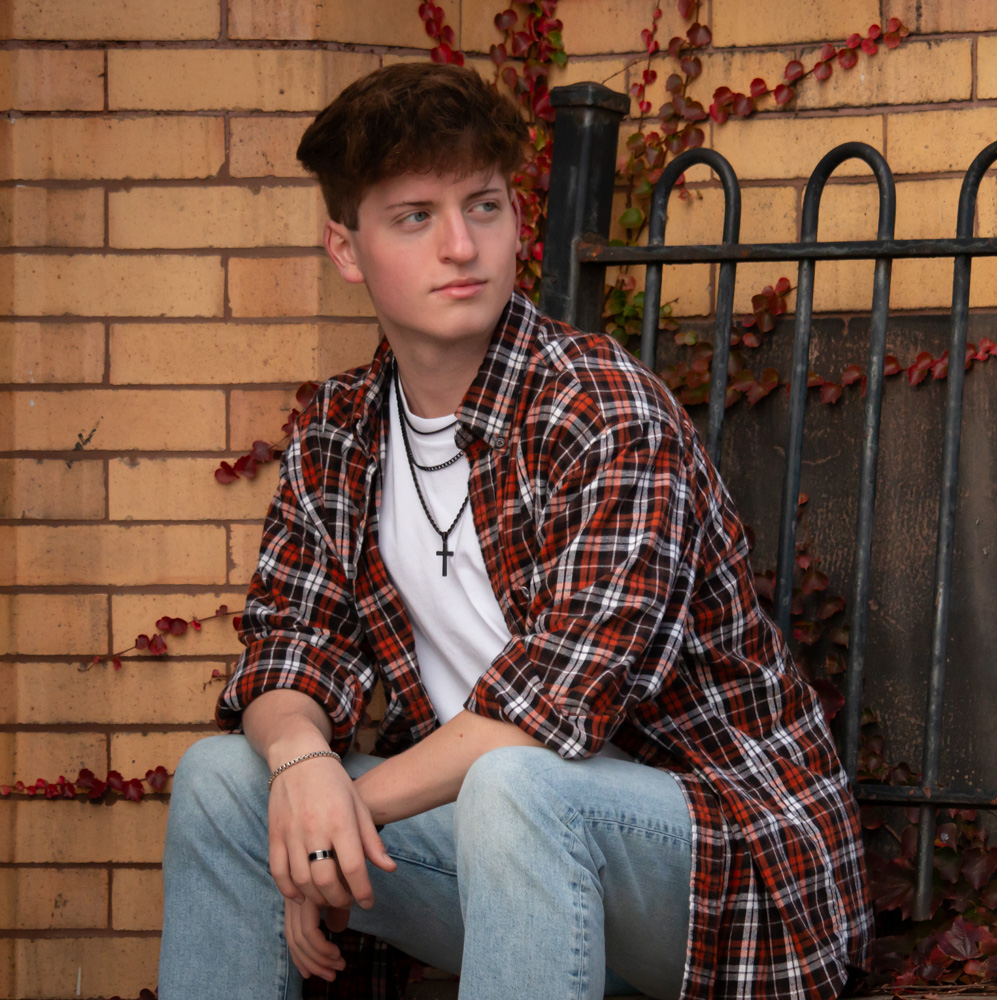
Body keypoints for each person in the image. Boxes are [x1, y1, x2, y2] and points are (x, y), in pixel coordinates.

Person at [156, 61, 870, 1000]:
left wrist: (330, 819)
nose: (461, 246)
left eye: (483, 207)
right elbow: (289, 647)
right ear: (345, 247)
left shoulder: (602, 411)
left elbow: (552, 711)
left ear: (517, 220)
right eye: (416, 217)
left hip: (729, 875)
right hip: (506, 861)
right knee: (223, 780)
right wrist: (298, 769)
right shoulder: (338, 432)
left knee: (513, 780)